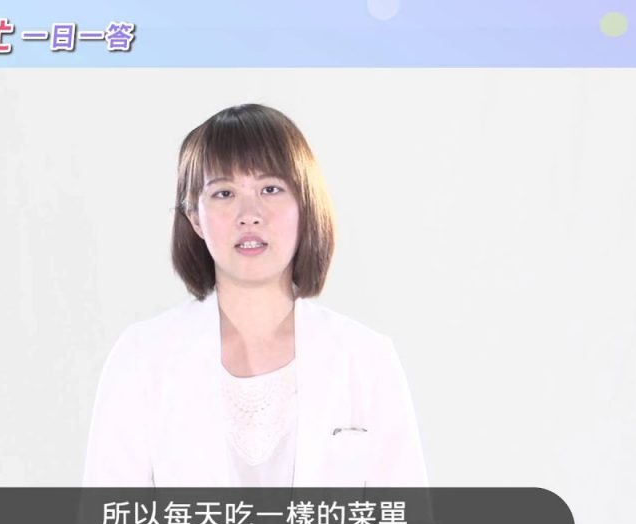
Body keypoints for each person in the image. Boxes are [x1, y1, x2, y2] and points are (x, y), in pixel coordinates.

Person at [82, 104, 428, 488]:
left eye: (270, 189)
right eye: (224, 193)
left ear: (305, 205)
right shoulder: (142, 357)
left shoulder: (365, 358)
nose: (249, 214)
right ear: (194, 218)